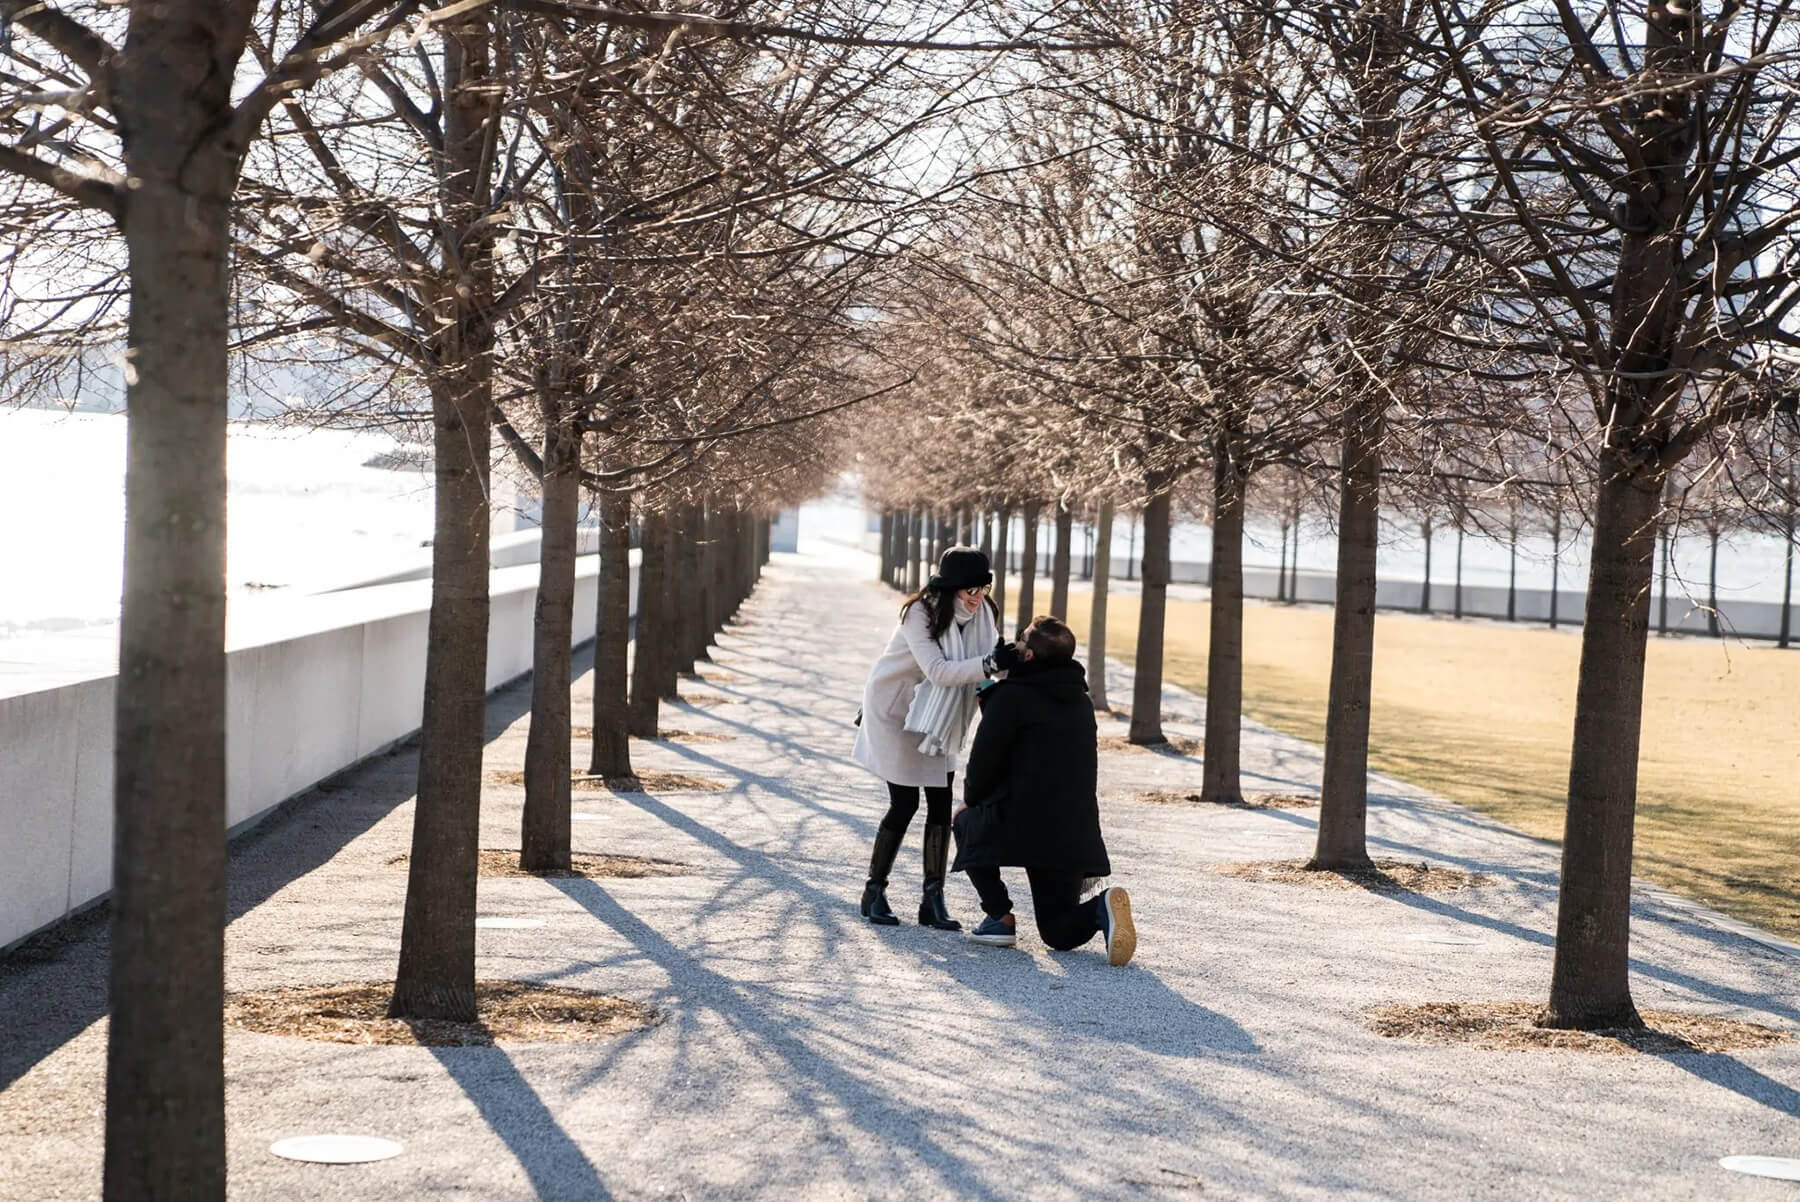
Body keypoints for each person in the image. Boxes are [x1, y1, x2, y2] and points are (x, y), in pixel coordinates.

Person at [951, 615, 1135, 966]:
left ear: (1029, 656)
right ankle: (1102, 904)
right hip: (1070, 831)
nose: (1014, 647)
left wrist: (970, 804)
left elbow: (982, 768)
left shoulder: (1010, 697)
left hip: (1021, 821)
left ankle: (999, 918)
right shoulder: (1081, 703)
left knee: (964, 821)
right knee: (1058, 933)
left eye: (1020, 642)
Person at [853, 545, 1016, 930]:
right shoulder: (920, 613)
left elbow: (992, 666)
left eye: (982, 589)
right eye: (969, 590)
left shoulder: (985, 615)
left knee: (941, 804)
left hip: (940, 720)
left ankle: (933, 899)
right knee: (905, 802)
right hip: (896, 710)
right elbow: (939, 670)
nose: (977, 598)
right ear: (950, 588)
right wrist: (991, 665)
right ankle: (874, 891)